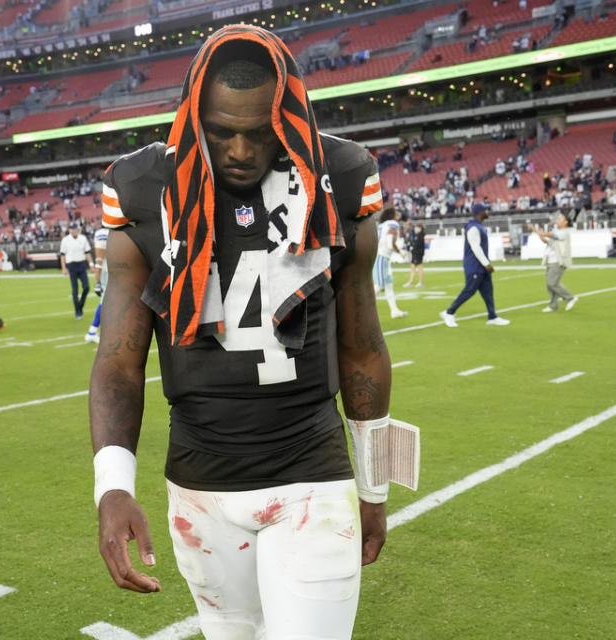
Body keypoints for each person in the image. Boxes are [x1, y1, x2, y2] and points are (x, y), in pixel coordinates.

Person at [89, 25, 400, 640]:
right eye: (220, 130)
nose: (238, 150)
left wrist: (373, 485)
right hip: (199, 487)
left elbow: (362, 347)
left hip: (311, 472)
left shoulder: (340, 175)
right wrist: (112, 487)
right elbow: (120, 360)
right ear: (192, 115)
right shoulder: (142, 188)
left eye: (259, 132)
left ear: (286, 115)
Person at [439, 204, 510, 327]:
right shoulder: (473, 228)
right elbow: (475, 247)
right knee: (469, 290)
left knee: (488, 291)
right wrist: (486, 263)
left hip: (480, 266)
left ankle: (492, 316)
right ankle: (449, 312)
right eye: (485, 210)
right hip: (474, 265)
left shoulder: (478, 226)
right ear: (479, 212)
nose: (487, 212)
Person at [533, 211, 578, 312]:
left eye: (560, 219)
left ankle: (570, 297)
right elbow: (548, 242)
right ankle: (553, 305)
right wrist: (539, 234)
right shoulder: (556, 231)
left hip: (558, 261)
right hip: (551, 259)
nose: (557, 220)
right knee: (550, 284)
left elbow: (554, 236)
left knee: (552, 283)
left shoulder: (564, 232)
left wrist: (542, 232)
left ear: (566, 222)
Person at [374, 207, 407, 318]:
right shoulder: (392, 223)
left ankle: (394, 311)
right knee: (379, 286)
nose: (398, 215)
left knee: (388, 286)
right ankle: (360, 310)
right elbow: (390, 244)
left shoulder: (382, 225)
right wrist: (401, 252)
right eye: (396, 213)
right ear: (392, 215)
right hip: (381, 257)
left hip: (383, 258)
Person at [60, 221, 93, 318]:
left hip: (82, 264)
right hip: (72, 265)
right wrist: (64, 268)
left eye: (74, 228)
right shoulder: (65, 240)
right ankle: (77, 311)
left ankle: (80, 305)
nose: (73, 230)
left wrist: (91, 264)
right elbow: (62, 255)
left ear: (77, 229)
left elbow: (87, 252)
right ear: (69, 230)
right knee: (75, 289)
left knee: (86, 287)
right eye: (71, 228)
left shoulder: (83, 238)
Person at [84, 225, 109, 343]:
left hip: (110, 271)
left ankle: (93, 331)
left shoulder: (105, 232)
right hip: (107, 272)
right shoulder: (103, 233)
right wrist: (98, 276)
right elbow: (99, 257)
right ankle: (92, 331)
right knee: (104, 302)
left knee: (106, 302)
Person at [404, 222, 426, 288]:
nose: (415, 229)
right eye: (415, 227)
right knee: (413, 268)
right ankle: (411, 281)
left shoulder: (420, 236)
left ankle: (421, 282)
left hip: (418, 254)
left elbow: (417, 245)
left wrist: (411, 246)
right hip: (415, 253)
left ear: (420, 228)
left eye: (417, 228)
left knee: (420, 268)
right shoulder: (416, 235)